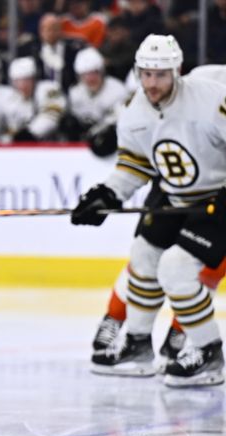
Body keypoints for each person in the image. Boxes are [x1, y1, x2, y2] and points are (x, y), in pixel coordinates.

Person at [71, 35, 226, 388]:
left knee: (177, 269)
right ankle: (138, 345)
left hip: (219, 197)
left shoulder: (211, 99)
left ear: (177, 71)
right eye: (146, 74)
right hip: (174, 196)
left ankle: (208, 351)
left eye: (160, 75)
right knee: (143, 257)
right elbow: (134, 165)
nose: (152, 83)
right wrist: (106, 194)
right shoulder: (135, 111)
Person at [4, 56, 66, 142]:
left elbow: (52, 116)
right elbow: (11, 130)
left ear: (34, 78)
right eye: (18, 81)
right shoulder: (12, 99)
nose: (23, 85)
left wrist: (30, 133)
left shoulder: (50, 89)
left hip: (53, 146)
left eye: (27, 80)